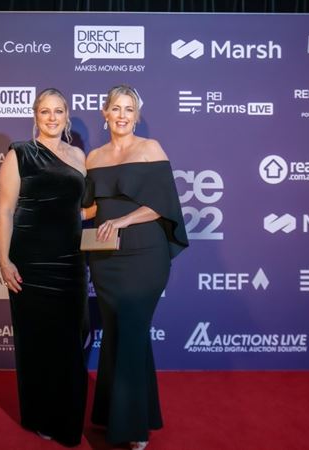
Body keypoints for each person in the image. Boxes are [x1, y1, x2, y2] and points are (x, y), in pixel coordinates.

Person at [83, 85, 189, 450]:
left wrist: (124, 220)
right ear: (105, 113)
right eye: (116, 108)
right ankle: (120, 414)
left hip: (145, 255)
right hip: (106, 258)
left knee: (130, 329)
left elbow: (164, 204)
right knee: (119, 334)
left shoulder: (150, 149)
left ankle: (132, 428)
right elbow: (92, 207)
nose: (122, 115)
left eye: (129, 109)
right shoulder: (94, 157)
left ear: (136, 116)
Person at [0, 88, 88, 447]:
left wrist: (123, 208)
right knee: (37, 342)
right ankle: (41, 415)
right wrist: (4, 260)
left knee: (69, 341)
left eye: (58, 111)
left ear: (67, 116)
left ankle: (67, 417)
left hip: (70, 260)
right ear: (35, 116)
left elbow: (80, 209)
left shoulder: (78, 155)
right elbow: (5, 211)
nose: (52, 117)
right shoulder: (19, 153)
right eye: (45, 111)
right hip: (31, 262)